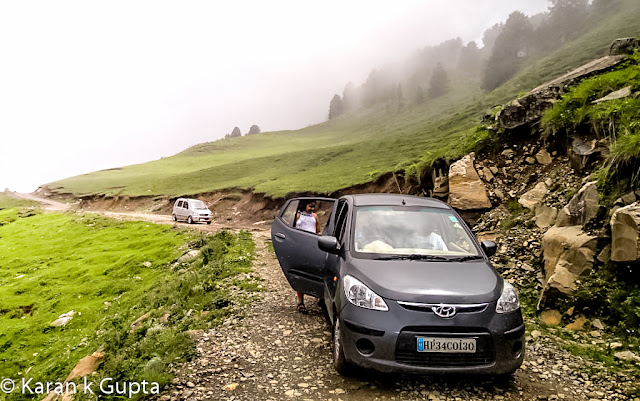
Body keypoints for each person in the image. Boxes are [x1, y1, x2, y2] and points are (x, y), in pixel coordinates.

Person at [294, 200, 321, 314]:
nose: (312, 209)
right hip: (300, 247)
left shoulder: (315, 216)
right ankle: (300, 302)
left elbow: (318, 231)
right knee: (301, 275)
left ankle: (319, 297)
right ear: (304, 205)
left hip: (312, 247)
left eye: (313, 207)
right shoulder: (298, 215)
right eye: (310, 206)